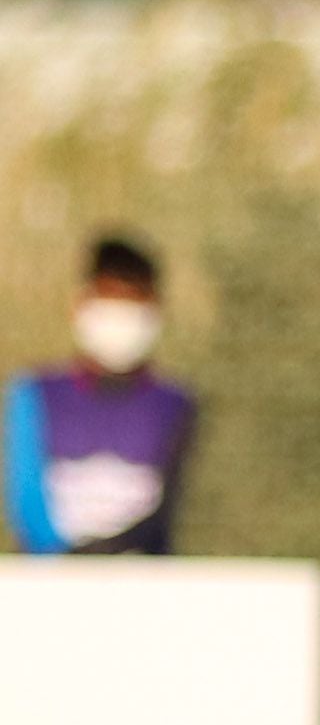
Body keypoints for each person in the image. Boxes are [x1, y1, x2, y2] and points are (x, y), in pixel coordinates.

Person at [7, 233, 197, 554]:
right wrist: (69, 560)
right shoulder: (35, 394)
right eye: (110, 301)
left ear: (156, 310)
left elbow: (170, 509)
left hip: (143, 585)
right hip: (50, 586)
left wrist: (117, 554)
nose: (120, 321)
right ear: (81, 305)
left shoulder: (175, 404)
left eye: (133, 304)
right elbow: (27, 501)